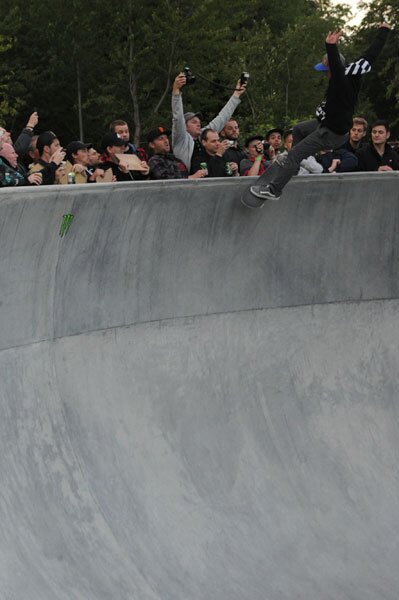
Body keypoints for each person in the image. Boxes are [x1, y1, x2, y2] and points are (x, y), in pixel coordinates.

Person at [249, 22, 391, 202]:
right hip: (331, 125)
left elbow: (336, 71)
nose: (326, 75)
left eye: (327, 72)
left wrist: (331, 46)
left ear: (333, 69)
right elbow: (371, 55)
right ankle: (294, 162)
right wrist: (384, 31)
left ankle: (274, 190)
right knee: (299, 129)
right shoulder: (355, 70)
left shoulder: (340, 81)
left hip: (330, 133)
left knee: (293, 154)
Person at [171, 71, 246, 171]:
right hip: (188, 182)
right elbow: (177, 117)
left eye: (198, 122)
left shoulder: (204, 134)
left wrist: (236, 94)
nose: (198, 124)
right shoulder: (181, 139)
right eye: (193, 122)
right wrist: (176, 91)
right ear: (184, 126)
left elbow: (222, 118)